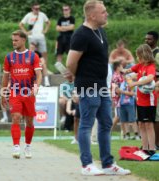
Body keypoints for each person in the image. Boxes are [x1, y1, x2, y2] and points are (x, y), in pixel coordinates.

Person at [66, 0, 131, 175]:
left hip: (102, 86)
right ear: (92, 15)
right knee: (86, 124)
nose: (106, 13)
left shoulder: (100, 31)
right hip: (87, 85)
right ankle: (86, 164)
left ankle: (108, 164)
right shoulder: (81, 34)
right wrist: (75, 79)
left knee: (106, 123)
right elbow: (70, 62)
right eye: (103, 11)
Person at [1, 30, 42, 159]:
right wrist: (3, 93)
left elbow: (39, 75)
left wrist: (35, 87)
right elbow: (5, 76)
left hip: (29, 93)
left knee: (29, 121)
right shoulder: (9, 57)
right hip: (15, 92)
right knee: (16, 117)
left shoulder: (33, 56)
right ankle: (16, 146)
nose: (14, 42)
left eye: (16, 40)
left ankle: (28, 146)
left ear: (24, 40)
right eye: (12, 40)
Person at [124, 44, 157, 156]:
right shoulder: (139, 65)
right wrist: (125, 72)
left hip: (149, 101)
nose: (137, 58)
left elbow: (150, 78)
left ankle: (151, 148)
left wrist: (135, 83)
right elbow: (129, 71)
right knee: (141, 124)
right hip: (140, 100)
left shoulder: (151, 66)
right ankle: (144, 147)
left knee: (148, 124)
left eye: (139, 56)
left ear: (144, 55)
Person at [19, 3, 50, 72]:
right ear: (32, 8)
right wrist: (26, 32)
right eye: (36, 9)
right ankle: (31, 68)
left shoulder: (42, 14)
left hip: (41, 36)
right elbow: (21, 24)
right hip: (32, 37)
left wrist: (45, 31)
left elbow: (48, 22)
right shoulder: (28, 15)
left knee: (44, 52)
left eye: (38, 8)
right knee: (32, 53)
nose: (37, 10)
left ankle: (45, 69)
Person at [145, 31, 159, 149]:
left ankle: (155, 143)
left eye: (149, 39)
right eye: (146, 39)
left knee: (156, 117)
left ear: (155, 40)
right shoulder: (147, 54)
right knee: (151, 117)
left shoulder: (157, 53)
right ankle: (150, 143)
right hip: (148, 90)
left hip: (156, 88)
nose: (146, 41)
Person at [116, 74, 140, 140]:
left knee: (132, 120)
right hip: (122, 103)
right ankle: (127, 135)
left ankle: (136, 134)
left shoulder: (132, 83)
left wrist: (122, 91)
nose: (124, 77)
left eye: (126, 76)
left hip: (130, 103)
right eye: (123, 75)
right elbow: (119, 93)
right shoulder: (122, 84)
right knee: (124, 120)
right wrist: (117, 91)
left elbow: (133, 94)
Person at [55, 5, 75, 70]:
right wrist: (67, 28)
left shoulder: (72, 18)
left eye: (66, 9)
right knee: (59, 53)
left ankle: (70, 69)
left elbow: (72, 27)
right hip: (61, 38)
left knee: (69, 53)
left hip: (69, 38)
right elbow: (57, 28)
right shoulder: (60, 19)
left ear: (69, 10)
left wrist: (62, 28)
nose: (65, 11)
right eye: (64, 10)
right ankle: (60, 70)